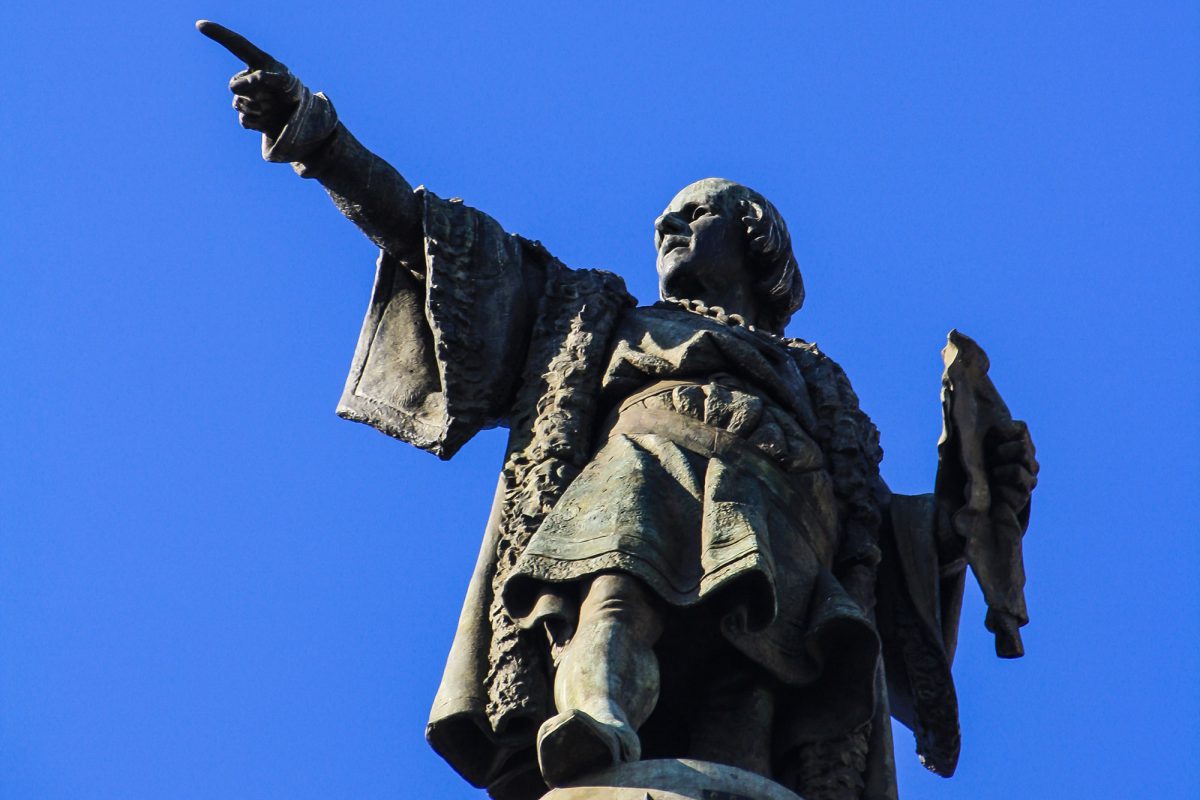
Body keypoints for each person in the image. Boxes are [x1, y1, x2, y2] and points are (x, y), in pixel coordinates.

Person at [198, 21, 1039, 800]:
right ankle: (595, 720)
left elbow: (877, 543)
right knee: (610, 593)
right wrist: (321, 139)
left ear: (754, 236)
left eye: (693, 213)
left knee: (756, 670)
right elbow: (441, 242)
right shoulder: (599, 315)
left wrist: (973, 498)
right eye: (661, 221)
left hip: (785, 511)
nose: (667, 225)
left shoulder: (821, 383)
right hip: (646, 468)